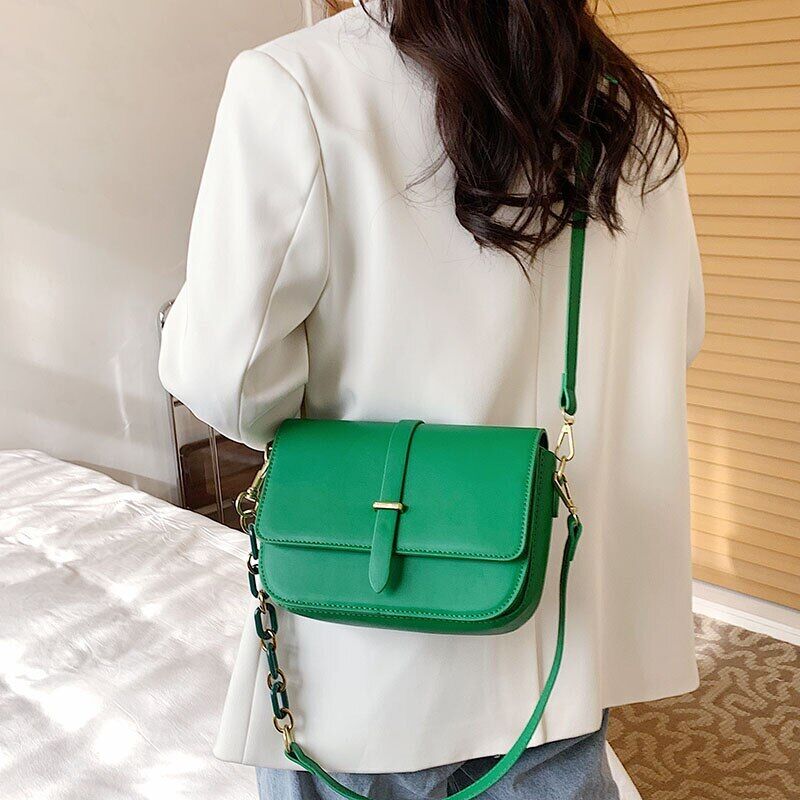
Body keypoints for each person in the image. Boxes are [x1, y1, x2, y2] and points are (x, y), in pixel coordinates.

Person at [159, 1, 705, 797]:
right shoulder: (627, 108)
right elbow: (673, 335)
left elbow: (228, 381)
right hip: (557, 636)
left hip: (367, 627)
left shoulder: (299, 82)